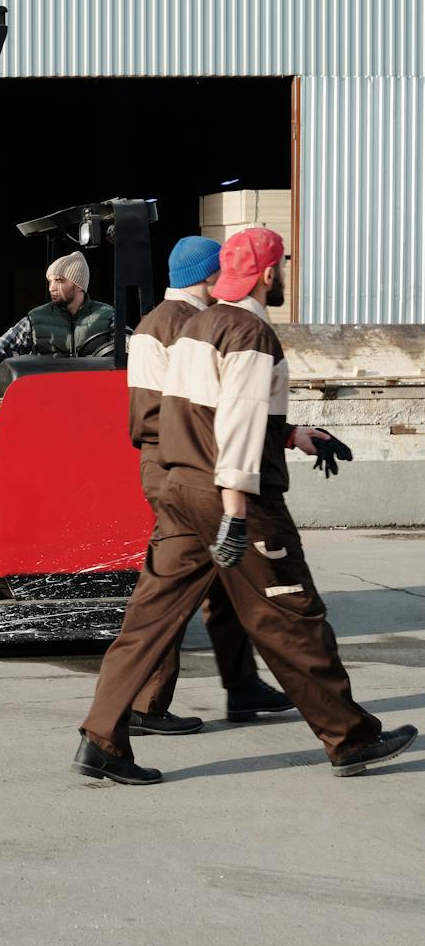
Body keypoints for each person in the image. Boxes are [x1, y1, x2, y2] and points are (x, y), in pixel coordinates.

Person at [73, 226, 417, 784]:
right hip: (229, 496)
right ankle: (350, 740)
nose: (282, 273)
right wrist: (235, 509)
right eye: (280, 264)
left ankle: (101, 737)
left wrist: (291, 435)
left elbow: (199, 414)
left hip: (182, 489)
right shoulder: (250, 332)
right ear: (265, 272)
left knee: (149, 618)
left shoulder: (199, 327)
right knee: (289, 613)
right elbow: (233, 424)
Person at [124, 234, 296, 736]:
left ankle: (241, 685)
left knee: (222, 580)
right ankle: (145, 702)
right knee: (175, 591)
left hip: (178, 461)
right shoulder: (189, 325)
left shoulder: (163, 319)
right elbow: (207, 410)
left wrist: (284, 433)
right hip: (187, 464)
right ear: (209, 275)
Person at [0, 250, 115, 392]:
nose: (51, 288)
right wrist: (12, 359)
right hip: (46, 397)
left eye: (59, 281)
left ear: (78, 286)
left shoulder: (107, 315)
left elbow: (134, 349)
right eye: (50, 281)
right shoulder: (36, 318)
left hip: (96, 395)